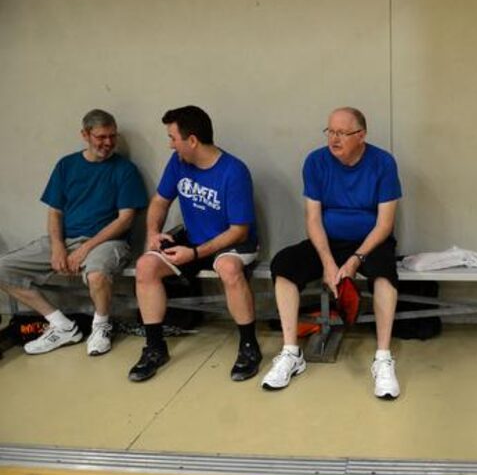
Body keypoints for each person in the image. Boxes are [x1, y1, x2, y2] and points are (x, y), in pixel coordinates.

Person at [266, 107, 402, 399]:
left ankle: (383, 358)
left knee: (384, 274)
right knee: (284, 265)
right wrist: (328, 262)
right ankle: (291, 353)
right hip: (327, 241)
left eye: (342, 133)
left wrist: (355, 260)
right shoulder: (316, 162)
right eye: (330, 131)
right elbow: (313, 219)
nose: (334, 138)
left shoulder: (383, 163)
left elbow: (385, 223)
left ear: (361, 135)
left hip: (371, 242)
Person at [0, 109, 148, 356]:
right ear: (85, 135)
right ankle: (61, 325)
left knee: (97, 274)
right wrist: (58, 246)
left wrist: (85, 249)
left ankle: (101, 326)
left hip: (107, 241)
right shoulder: (66, 165)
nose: (108, 143)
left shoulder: (125, 170)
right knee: (3, 268)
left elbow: (125, 220)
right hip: (66, 240)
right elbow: (55, 212)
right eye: (101, 137)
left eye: (112, 136)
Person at [129, 106, 260, 383]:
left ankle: (249, 347)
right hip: (194, 239)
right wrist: (153, 232)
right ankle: (155, 347)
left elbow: (239, 230)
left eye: (172, 137)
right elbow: (160, 202)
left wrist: (196, 253)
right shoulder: (178, 163)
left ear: (192, 140)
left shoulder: (234, 171)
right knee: (146, 266)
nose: (170, 144)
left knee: (228, 268)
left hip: (232, 242)